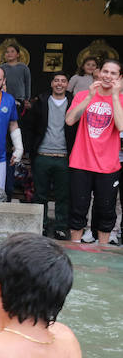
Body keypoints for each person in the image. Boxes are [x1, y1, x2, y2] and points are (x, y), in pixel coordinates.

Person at [64, 59, 123, 245]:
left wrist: (114, 96)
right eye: (105, 71)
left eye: (113, 73)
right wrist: (90, 97)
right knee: (77, 210)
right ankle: (75, 250)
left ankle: (103, 253)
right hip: (81, 162)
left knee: (106, 213)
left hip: (108, 166)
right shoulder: (83, 95)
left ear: (119, 77)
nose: (108, 76)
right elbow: (70, 120)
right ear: (98, 73)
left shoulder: (121, 99)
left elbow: (121, 127)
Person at [29, 72, 77, 240]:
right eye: (56, 80)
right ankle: (40, 225)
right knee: (39, 194)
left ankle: (61, 227)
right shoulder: (42, 101)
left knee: (63, 195)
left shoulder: (74, 102)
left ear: (67, 85)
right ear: (51, 83)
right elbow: (31, 126)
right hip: (43, 154)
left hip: (64, 156)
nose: (59, 84)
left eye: (63, 81)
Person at [0, 44, 31, 108]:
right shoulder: (1, 68)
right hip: (4, 98)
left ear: (18, 54)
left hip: (19, 99)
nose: (9, 54)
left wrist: (27, 99)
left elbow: (27, 83)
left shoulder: (24, 68)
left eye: (12, 51)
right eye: (7, 52)